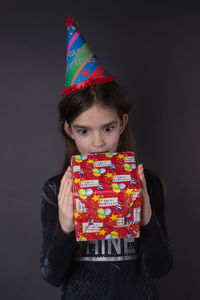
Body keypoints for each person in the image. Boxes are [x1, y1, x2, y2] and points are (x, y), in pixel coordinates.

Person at [40, 17, 173, 300]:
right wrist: (65, 228)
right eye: (84, 131)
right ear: (69, 130)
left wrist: (147, 221)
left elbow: (161, 268)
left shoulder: (147, 183)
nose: (98, 143)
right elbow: (52, 275)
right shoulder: (56, 190)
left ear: (122, 124)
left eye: (108, 128)